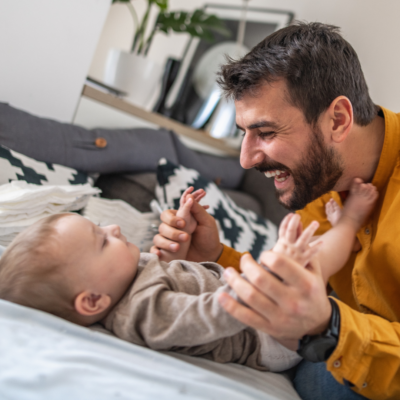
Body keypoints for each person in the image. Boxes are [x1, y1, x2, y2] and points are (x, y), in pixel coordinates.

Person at [151, 22, 400, 400]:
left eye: (265, 133)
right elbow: (289, 285)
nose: (246, 158)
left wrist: (328, 327)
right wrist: (214, 257)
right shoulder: (320, 179)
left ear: (338, 120)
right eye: (244, 133)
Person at [0, 177, 376, 374]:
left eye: (101, 226)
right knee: (309, 263)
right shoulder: (140, 313)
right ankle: (352, 222)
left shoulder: (126, 275)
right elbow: (200, 317)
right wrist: (258, 283)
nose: (114, 228)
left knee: (301, 260)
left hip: (252, 309)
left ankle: (338, 236)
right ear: (93, 300)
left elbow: (179, 276)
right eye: (101, 241)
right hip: (264, 339)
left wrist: (180, 246)